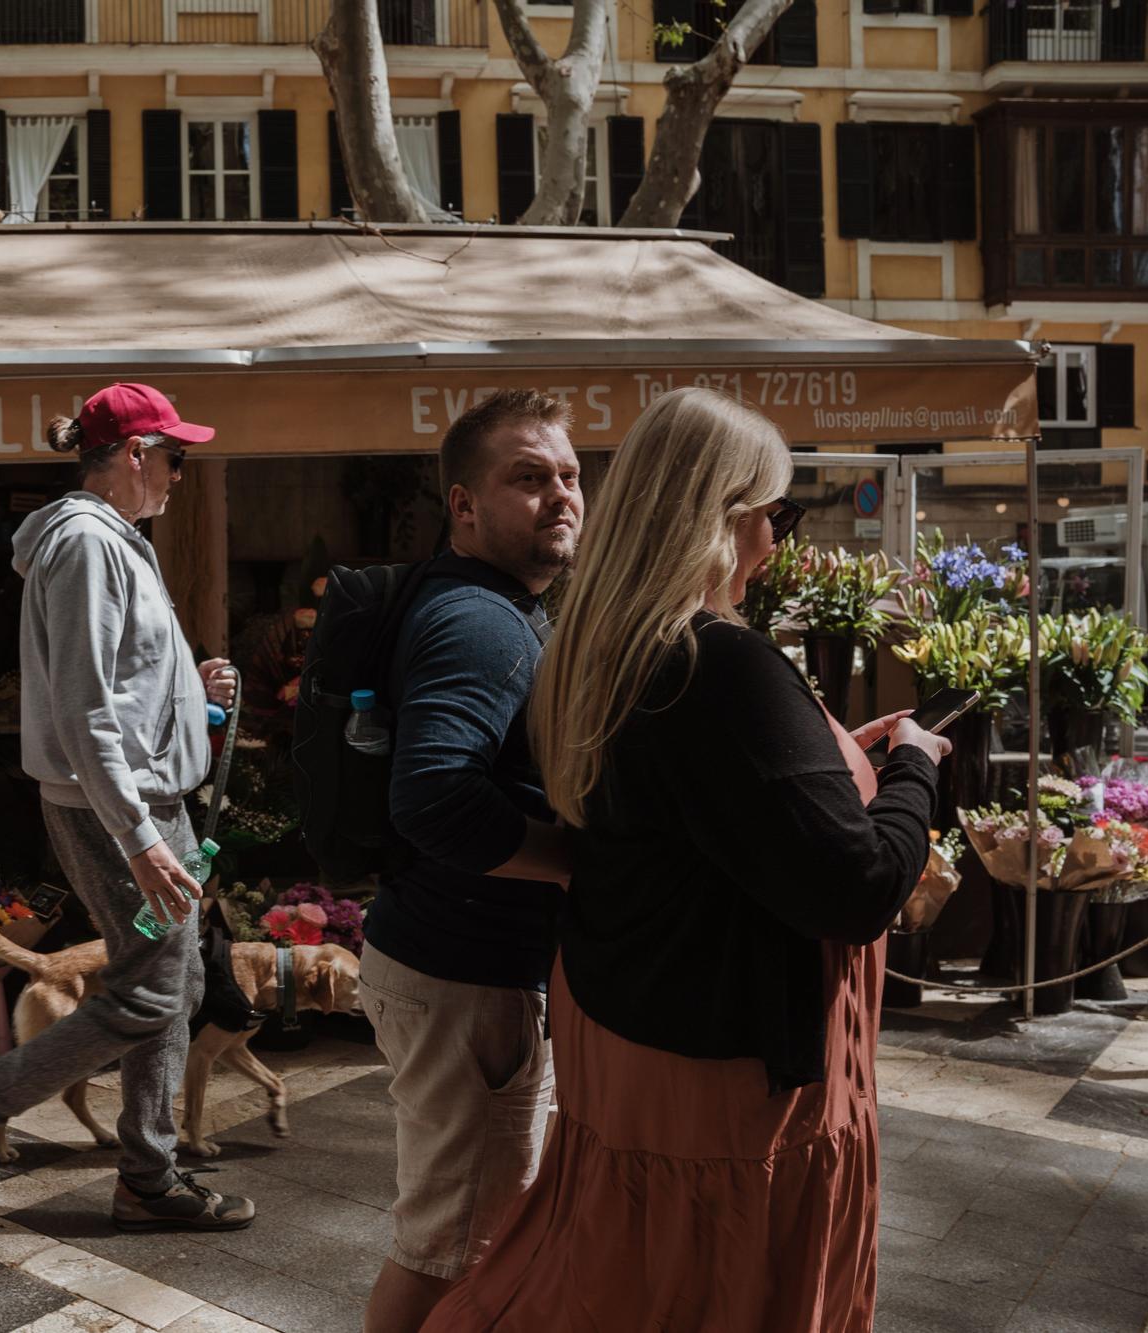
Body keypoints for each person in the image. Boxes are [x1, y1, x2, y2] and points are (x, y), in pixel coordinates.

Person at [422, 386, 947, 1333]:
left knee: (610, 1281)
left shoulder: (602, 646)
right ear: (722, 517)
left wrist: (836, 767)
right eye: (772, 516)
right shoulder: (718, 661)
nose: (778, 543)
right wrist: (913, 767)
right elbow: (859, 885)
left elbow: (703, 810)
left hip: (632, 1036)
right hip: (727, 1074)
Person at [0, 382, 254, 1235]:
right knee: (147, 996)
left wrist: (193, 685)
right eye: (175, 455)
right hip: (120, 809)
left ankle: (147, 1173)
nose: (181, 472)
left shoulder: (113, 541)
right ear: (133, 454)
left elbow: (119, 683)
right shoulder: (88, 547)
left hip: (138, 801)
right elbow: (84, 707)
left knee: (168, 989)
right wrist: (139, 837)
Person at [359, 390, 580, 1333]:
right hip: (465, 981)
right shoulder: (481, 623)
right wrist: (576, 864)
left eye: (569, 475)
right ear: (463, 506)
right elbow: (434, 797)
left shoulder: (494, 606)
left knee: (468, 1237)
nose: (560, 496)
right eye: (527, 479)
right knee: (454, 1248)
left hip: (455, 968)